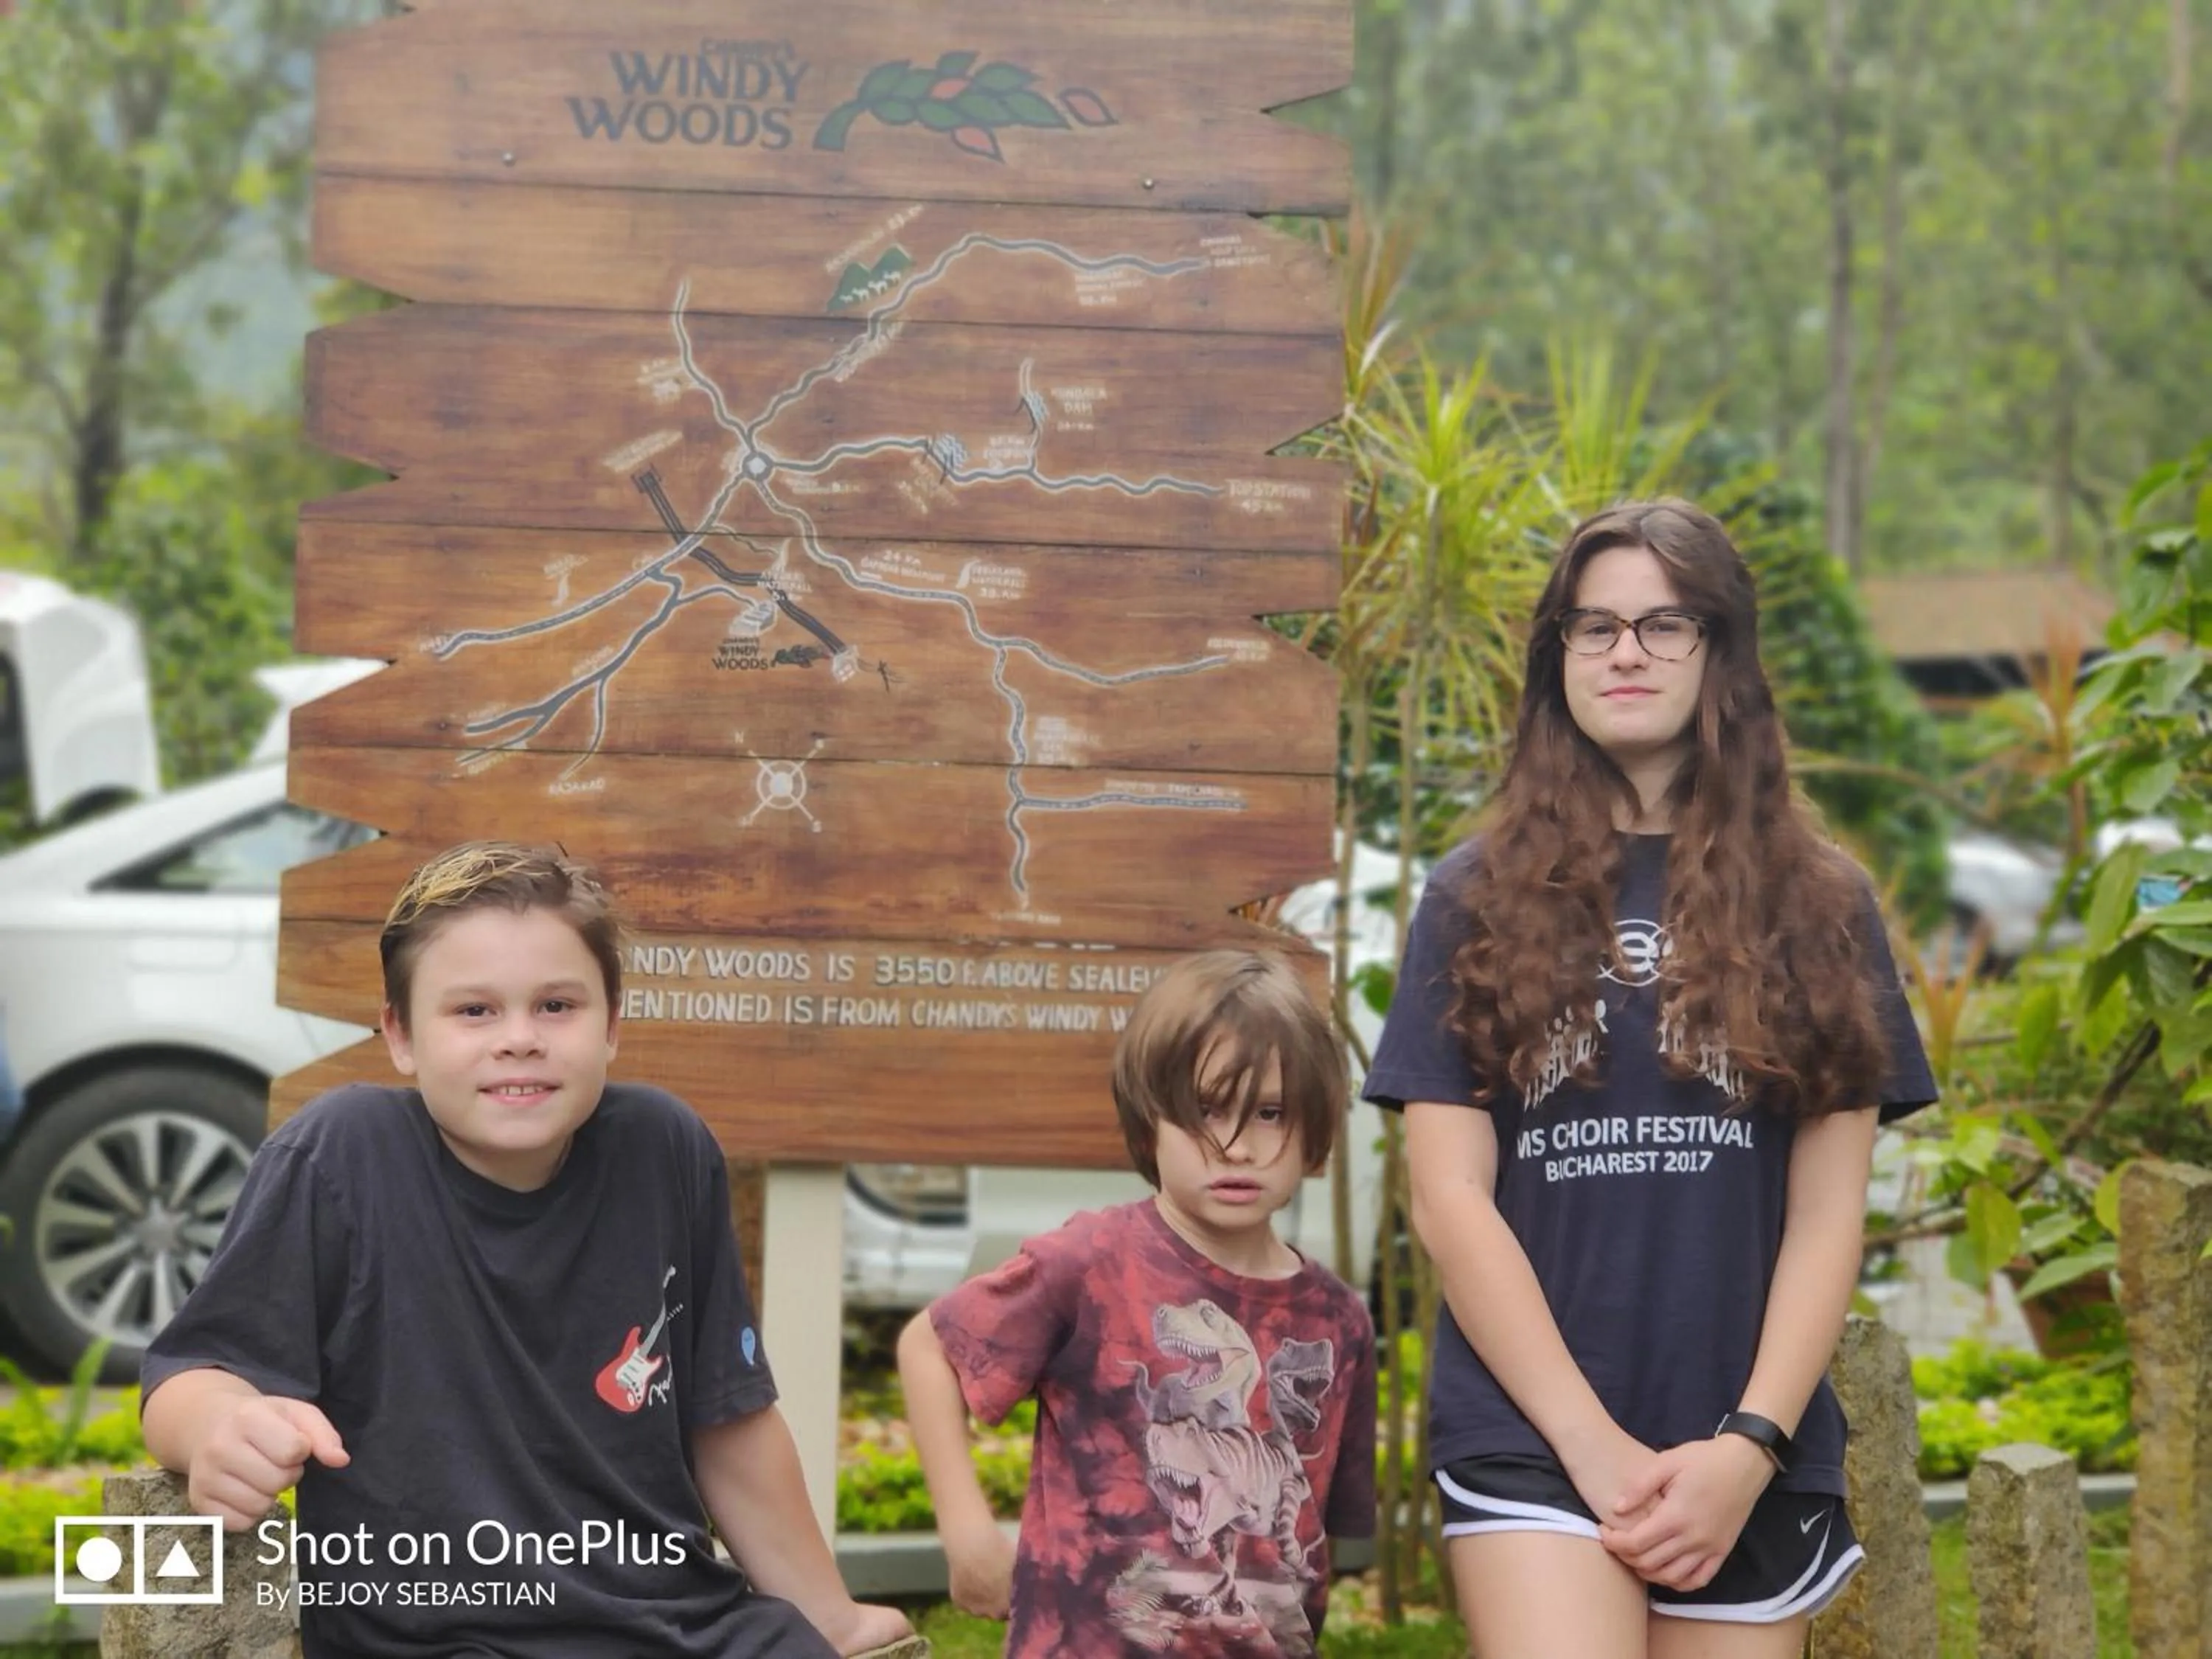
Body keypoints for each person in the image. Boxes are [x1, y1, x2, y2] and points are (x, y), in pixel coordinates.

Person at [1363, 498, 1938, 1659]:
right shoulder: (1470, 894)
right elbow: (1449, 1201)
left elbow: (1829, 1214)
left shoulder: (1822, 904)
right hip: (1532, 1428)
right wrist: (1588, 1442)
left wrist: (1750, 1444)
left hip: (1744, 1439)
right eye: (1594, 626)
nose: (1625, 650)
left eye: (1665, 624)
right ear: (1557, 659)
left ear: (1721, 655)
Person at [139, 841, 920, 1659]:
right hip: (439, 1634)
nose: (519, 1038)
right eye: (474, 1011)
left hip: (678, 1622)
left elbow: (728, 1420)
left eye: (557, 1006)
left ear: (612, 1025)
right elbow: (186, 1375)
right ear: (400, 1036)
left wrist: (825, 1615)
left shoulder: (666, 1149)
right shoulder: (338, 1157)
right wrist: (223, 1427)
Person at [898, 950, 1377, 1658]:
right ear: (1150, 1121)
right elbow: (929, 1346)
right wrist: (968, 1534)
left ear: (1316, 1129)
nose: (1237, 1146)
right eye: (1207, 1109)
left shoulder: (1339, 1321)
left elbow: (1307, 1538)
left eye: (1271, 1112)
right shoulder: (1089, 1263)